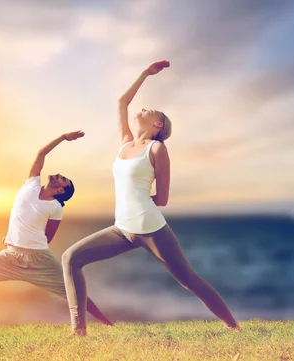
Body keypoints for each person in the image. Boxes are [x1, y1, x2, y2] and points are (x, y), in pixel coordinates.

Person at [62, 61, 239, 335]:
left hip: (150, 229)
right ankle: (78, 331)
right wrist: (145, 74)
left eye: (149, 110)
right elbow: (122, 101)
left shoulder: (156, 149)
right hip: (121, 229)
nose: (141, 109)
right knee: (71, 257)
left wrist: (140, 203)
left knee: (188, 279)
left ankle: (233, 326)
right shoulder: (125, 143)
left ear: (157, 124)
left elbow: (164, 198)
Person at [0, 131, 113, 329]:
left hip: (39, 259)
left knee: (72, 291)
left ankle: (107, 323)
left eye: (62, 179)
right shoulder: (31, 184)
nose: (58, 175)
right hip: (11, 256)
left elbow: (47, 236)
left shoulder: (55, 208)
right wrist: (63, 138)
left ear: (60, 191)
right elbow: (41, 154)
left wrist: (26, 239)